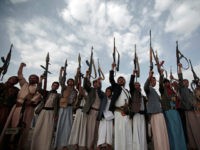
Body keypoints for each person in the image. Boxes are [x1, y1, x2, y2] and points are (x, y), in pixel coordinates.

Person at [2, 62, 41, 150]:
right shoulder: (24, 84)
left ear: (36, 80)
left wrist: (31, 101)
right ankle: (9, 142)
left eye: (34, 78)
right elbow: (19, 75)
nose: (32, 78)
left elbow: (38, 96)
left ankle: (18, 144)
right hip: (17, 107)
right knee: (13, 124)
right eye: (31, 77)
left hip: (27, 109)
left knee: (24, 126)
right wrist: (21, 66)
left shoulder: (37, 88)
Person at [159, 69, 187, 150]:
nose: (167, 83)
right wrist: (161, 74)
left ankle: (182, 147)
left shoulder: (173, 90)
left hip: (175, 111)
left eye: (168, 82)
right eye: (166, 82)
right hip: (169, 111)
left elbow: (181, 84)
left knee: (179, 129)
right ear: (164, 84)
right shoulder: (163, 90)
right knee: (172, 130)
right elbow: (160, 84)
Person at [31, 76, 60, 150]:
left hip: (51, 113)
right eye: (54, 85)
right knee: (39, 128)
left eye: (56, 86)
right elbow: (38, 89)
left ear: (57, 88)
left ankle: (45, 147)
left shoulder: (58, 95)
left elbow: (58, 106)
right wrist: (41, 80)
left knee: (48, 130)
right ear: (52, 85)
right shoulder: (46, 92)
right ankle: (36, 146)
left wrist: (56, 115)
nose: (55, 86)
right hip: (43, 112)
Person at [109, 63, 133, 150]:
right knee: (119, 131)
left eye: (122, 80)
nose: (121, 81)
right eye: (119, 80)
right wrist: (112, 68)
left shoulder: (127, 91)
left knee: (127, 131)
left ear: (124, 82)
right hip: (118, 112)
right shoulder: (116, 87)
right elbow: (111, 79)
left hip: (127, 112)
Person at [144, 70, 169, 150]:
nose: (155, 82)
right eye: (153, 80)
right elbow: (145, 86)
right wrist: (149, 76)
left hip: (160, 113)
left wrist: (161, 74)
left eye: (155, 80)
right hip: (154, 114)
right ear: (150, 81)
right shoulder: (148, 89)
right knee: (157, 134)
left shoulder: (155, 91)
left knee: (162, 133)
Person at [54, 67, 78, 150]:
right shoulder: (64, 87)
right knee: (60, 124)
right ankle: (57, 144)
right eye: (69, 81)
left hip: (70, 109)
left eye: (72, 81)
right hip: (63, 108)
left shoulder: (75, 91)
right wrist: (61, 71)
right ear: (67, 82)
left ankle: (65, 145)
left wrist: (77, 72)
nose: (71, 82)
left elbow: (77, 80)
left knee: (68, 126)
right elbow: (61, 80)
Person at [177, 63, 200, 149]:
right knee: (193, 130)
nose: (186, 82)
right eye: (185, 81)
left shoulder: (190, 91)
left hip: (195, 111)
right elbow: (180, 77)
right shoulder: (182, 89)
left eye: (187, 82)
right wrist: (179, 67)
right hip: (189, 112)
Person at [82, 71, 103, 150]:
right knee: (90, 129)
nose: (96, 84)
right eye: (94, 83)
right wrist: (87, 75)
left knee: (97, 130)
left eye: (97, 83)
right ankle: (88, 146)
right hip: (91, 112)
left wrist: (100, 81)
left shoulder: (101, 93)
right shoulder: (90, 90)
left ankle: (95, 145)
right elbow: (85, 85)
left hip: (98, 113)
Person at [68, 68, 88, 150]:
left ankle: (82, 143)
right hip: (79, 110)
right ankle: (75, 143)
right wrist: (78, 74)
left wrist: (86, 75)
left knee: (84, 127)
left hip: (86, 111)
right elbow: (78, 83)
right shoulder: (80, 90)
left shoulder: (89, 92)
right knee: (77, 126)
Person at [129, 70, 147, 150]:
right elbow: (130, 84)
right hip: (136, 114)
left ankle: (143, 147)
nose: (137, 86)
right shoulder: (133, 92)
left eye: (138, 85)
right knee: (136, 132)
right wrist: (133, 73)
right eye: (136, 85)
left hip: (142, 115)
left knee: (143, 132)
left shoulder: (142, 96)